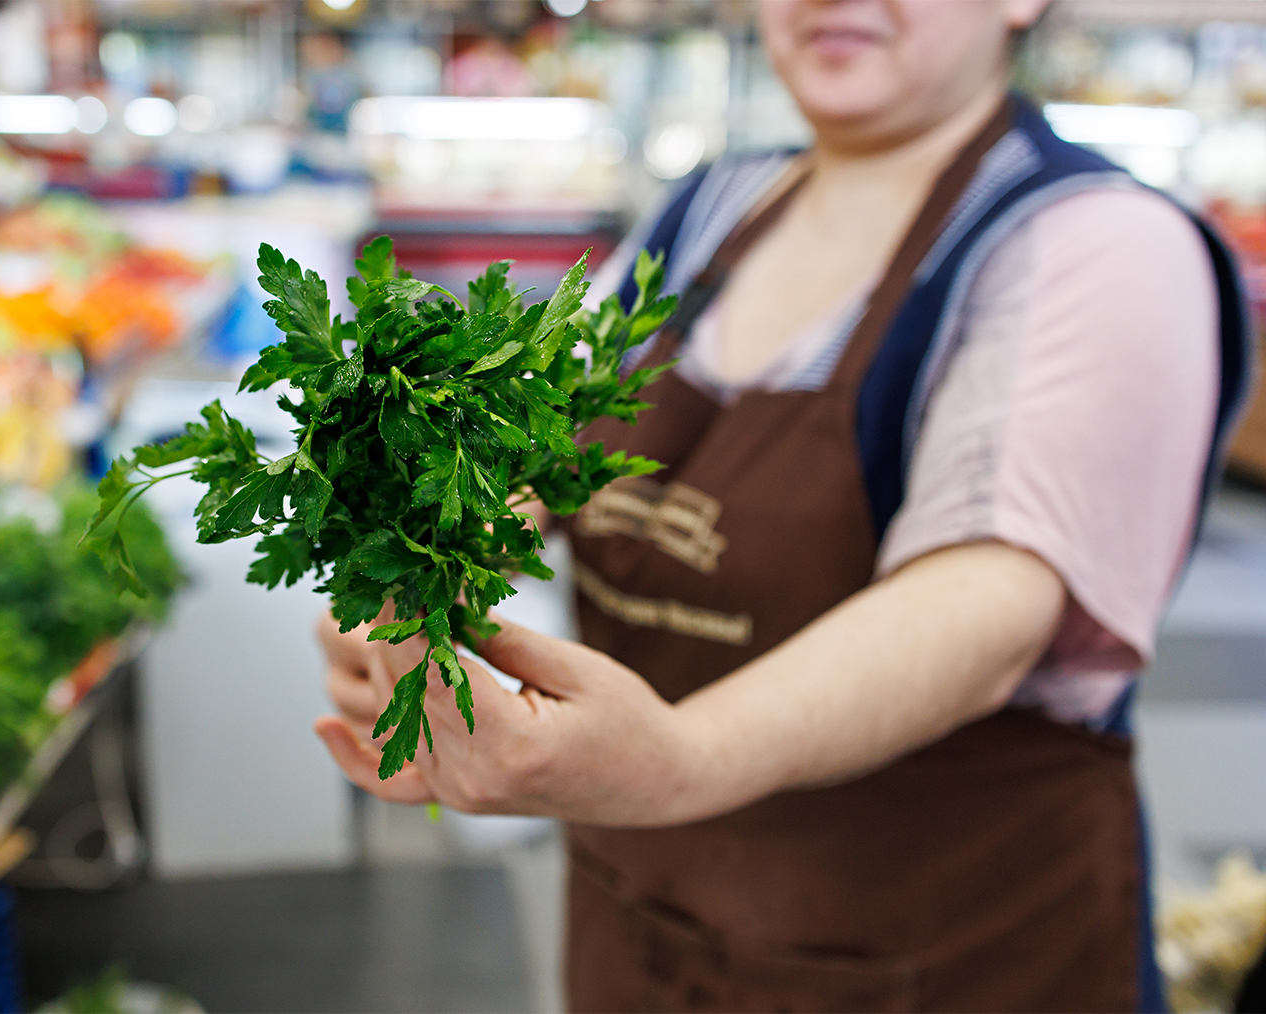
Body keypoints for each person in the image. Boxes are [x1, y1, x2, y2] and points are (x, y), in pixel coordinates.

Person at [315, 1, 1253, 1011]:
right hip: (647, 927)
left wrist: (678, 761)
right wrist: (423, 586)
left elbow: (990, 596)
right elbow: (545, 453)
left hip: (948, 958)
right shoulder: (707, 210)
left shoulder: (1097, 244)